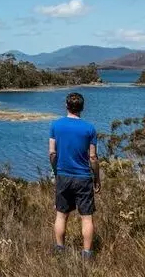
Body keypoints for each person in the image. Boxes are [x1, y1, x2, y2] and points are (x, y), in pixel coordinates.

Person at [48, 92, 100, 260]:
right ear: (82, 108)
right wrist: (97, 178)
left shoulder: (55, 126)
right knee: (86, 217)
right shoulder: (89, 128)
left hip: (63, 176)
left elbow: (52, 153)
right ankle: (86, 254)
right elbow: (93, 157)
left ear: (66, 106)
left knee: (61, 215)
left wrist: (56, 172)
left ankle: (59, 250)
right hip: (84, 177)